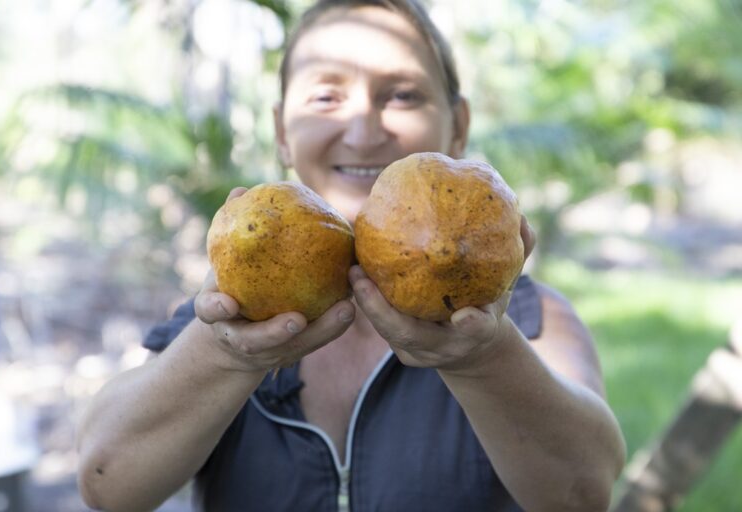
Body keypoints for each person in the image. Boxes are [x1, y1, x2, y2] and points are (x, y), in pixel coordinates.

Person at [76, 1, 627, 511]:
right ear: (282, 132)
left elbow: (584, 495)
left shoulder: (530, 319)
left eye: (403, 95)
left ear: (457, 126)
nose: (363, 132)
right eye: (326, 96)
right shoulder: (227, 314)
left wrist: (482, 359)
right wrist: (228, 357)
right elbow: (106, 482)